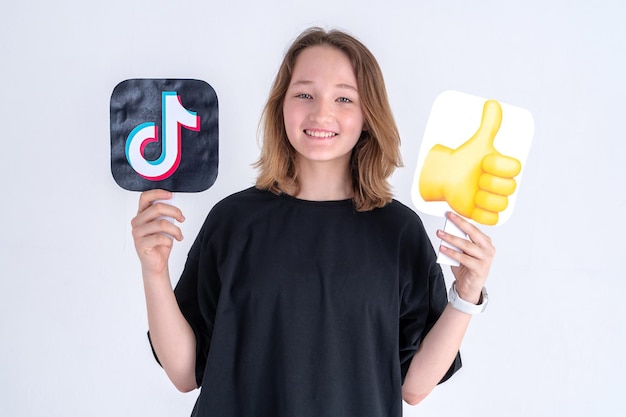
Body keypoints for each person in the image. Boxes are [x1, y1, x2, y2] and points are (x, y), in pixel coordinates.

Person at [131, 27, 495, 417]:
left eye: (344, 98)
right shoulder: (232, 222)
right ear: (281, 107)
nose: (322, 113)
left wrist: (467, 294)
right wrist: (154, 272)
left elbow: (415, 387)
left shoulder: (399, 232)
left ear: (368, 115)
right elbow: (185, 373)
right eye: (304, 94)